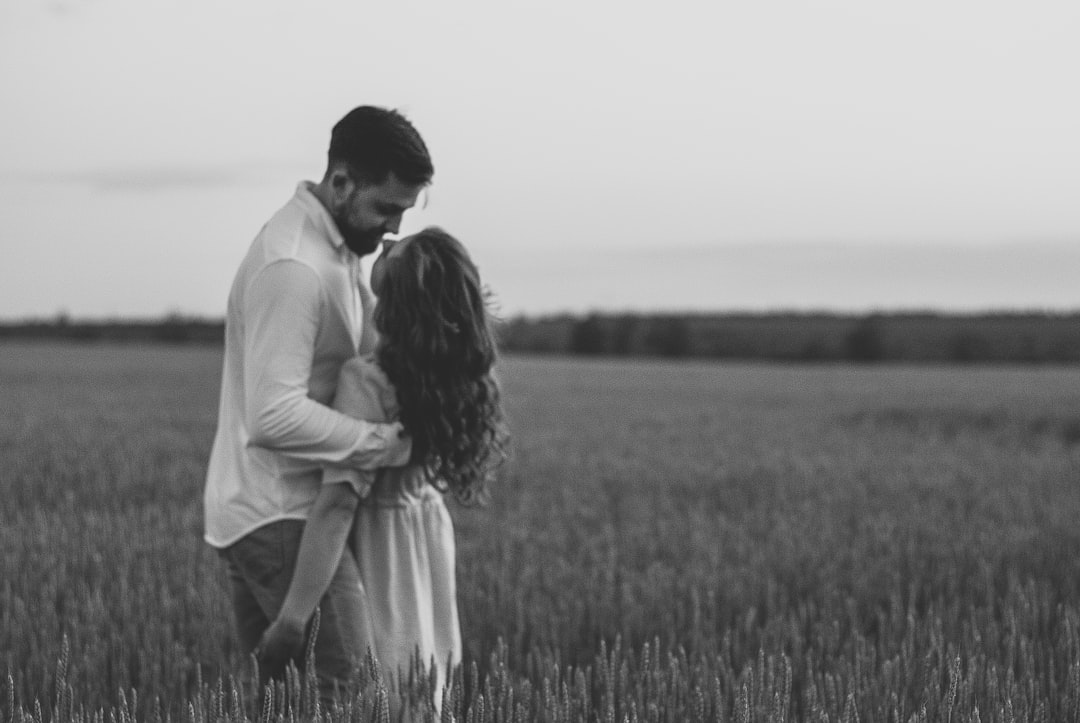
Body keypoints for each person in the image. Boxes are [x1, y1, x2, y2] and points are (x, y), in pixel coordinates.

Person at [202, 105, 434, 699]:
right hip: (282, 511)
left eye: (404, 214)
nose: (392, 230)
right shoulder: (295, 266)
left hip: (283, 510)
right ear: (340, 183)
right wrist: (385, 443)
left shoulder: (336, 253)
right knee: (354, 695)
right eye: (385, 208)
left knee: (284, 702)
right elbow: (272, 415)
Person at [256, 227, 509, 707]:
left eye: (398, 251)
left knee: (385, 685)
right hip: (426, 534)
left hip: (382, 544)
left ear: (402, 296)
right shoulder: (447, 374)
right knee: (421, 679)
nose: (389, 240)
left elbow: (337, 506)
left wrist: (291, 619)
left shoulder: (366, 379)